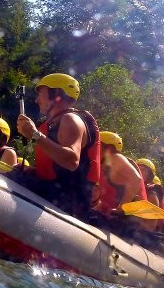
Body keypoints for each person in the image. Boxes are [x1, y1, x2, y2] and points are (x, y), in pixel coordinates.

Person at [12, 73, 100, 218]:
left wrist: (35, 134)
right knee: (18, 172)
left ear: (56, 94)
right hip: (57, 194)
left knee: (13, 177)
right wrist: (33, 171)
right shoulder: (56, 123)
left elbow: (72, 161)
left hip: (67, 203)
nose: (36, 99)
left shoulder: (70, 119)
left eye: (41, 93)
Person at [92, 131, 147, 215]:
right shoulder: (106, 166)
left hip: (132, 219)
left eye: (99, 145)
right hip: (118, 217)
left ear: (109, 148)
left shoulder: (115, 157)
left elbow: (136, 179)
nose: (95, 148)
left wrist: (120, 209)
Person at [137, 158, 164, 237]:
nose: (139, 171)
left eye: (143, 170)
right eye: (138, 168)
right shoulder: (131, 187)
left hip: (148, 234)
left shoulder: (153, 194)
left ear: (149, 176)